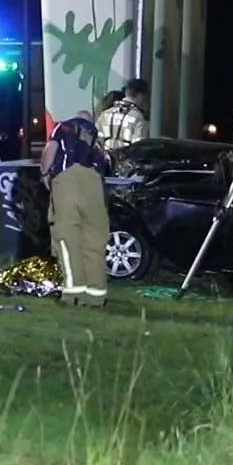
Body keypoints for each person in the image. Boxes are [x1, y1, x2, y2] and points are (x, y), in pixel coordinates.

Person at [41, 107, 111, 308]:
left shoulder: (64, 127)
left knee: (68, 238)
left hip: (68, 181)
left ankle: (72, 294)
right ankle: (96, 296)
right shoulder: (96, 138)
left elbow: (50, 150)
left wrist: (45, 172)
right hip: (94, 185)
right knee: (94, 240)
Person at [97, 78, 148, 151]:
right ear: (140, 95)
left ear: (126, 93)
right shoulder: (138, 117)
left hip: (106, 159)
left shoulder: (105, 114)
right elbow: (139, 146)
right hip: (126, 160)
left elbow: (97, 142)